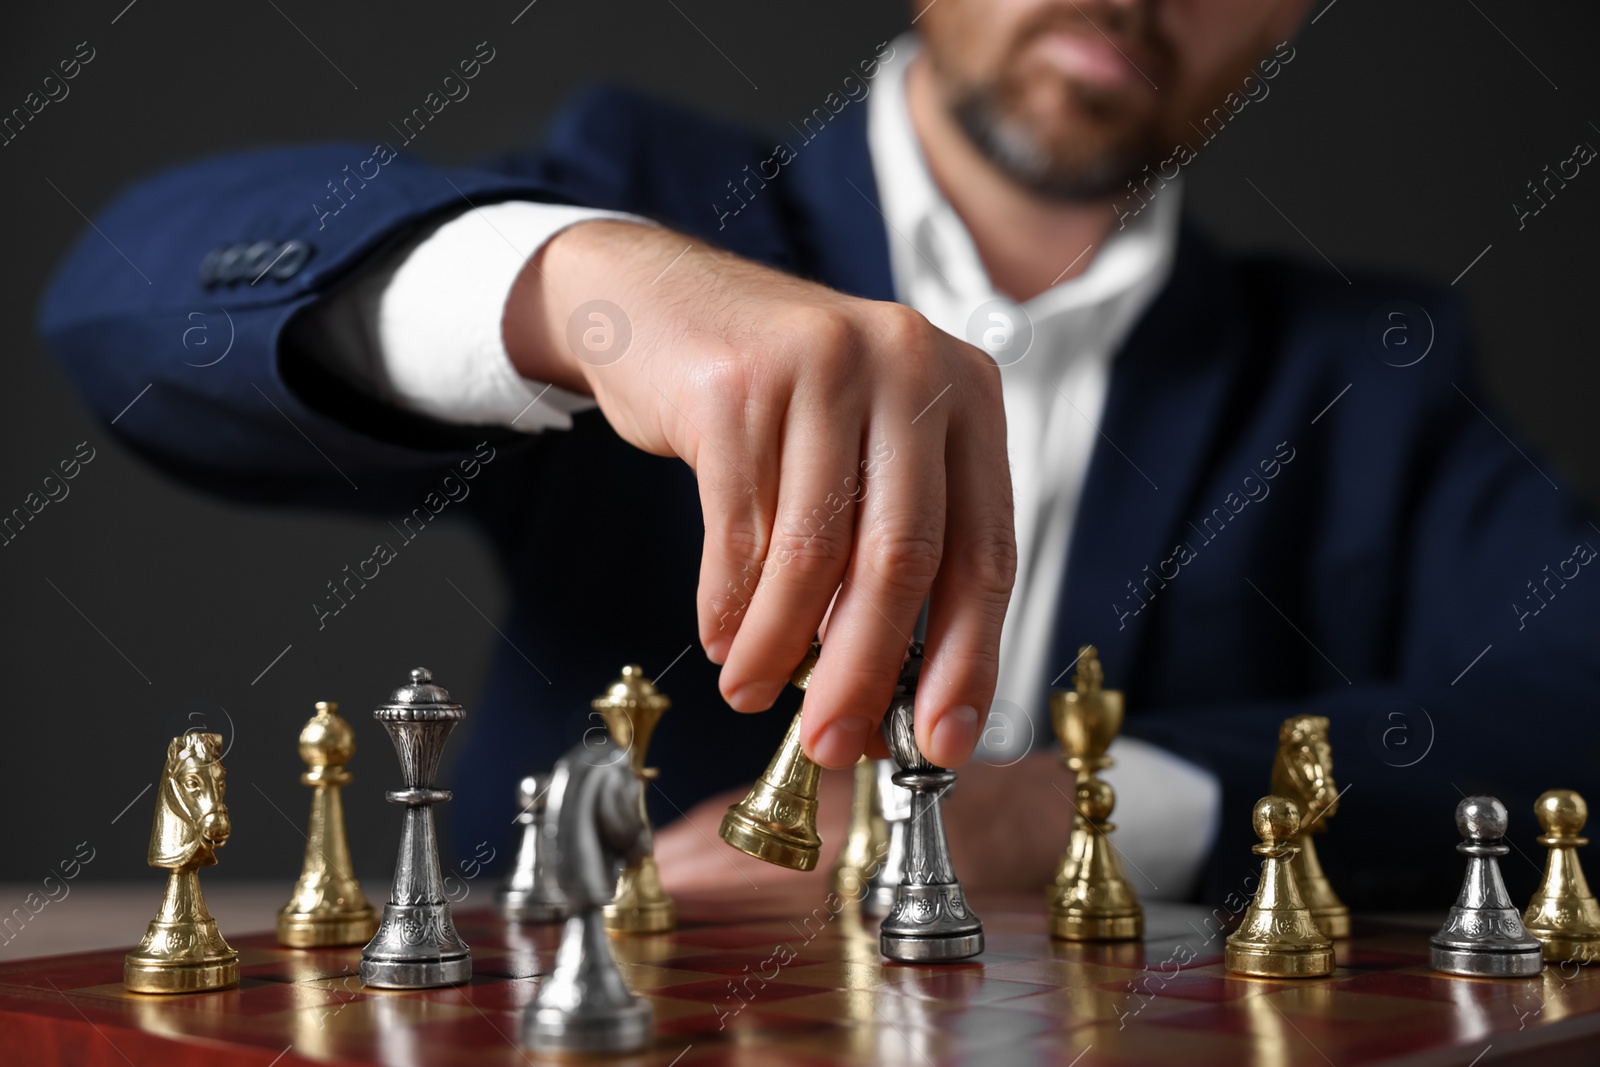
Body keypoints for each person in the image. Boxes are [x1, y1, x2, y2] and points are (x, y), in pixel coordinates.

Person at [40, 0, 1600, 907]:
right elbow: (125, 305)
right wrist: (573, 286)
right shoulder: (646, 186)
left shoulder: (1364, 370)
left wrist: (1066, 807)